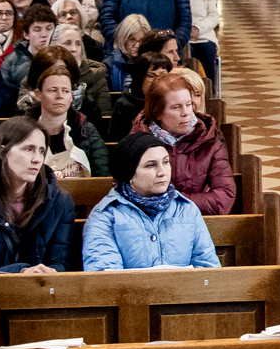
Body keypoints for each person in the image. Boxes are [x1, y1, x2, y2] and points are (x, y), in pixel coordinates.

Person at [0, 118, 75, 274]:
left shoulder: (60, 202)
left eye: (41, 151)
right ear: (3, 153)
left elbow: (62, 264)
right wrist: (22, 272)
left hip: (46, 287)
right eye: (28, 149)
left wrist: (41, 276)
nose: (37, 159)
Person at [83, 134, 221, 271]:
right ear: (129, 173)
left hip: (184, 286)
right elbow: (104, 276)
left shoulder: (186, 209)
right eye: (150, 165)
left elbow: (208, 268)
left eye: (165, 162)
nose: (162, 172)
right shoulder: (106, 215)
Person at [131, 68, 237, 214]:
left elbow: (223, 198)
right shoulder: (136, 141)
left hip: (198, 223)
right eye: (176, 107)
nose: (186, 113)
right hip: (148, 222)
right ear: (158, 112)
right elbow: (129, 194)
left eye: (188, 105)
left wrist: (172, 202)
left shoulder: (209, 140)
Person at [22, 46, 110, 177]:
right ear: (38, 94)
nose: (60, 96)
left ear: (71, 95)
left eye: (65, 91)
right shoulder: (21, 131)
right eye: (53, 90)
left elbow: (101, 177)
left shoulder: (86, 130)